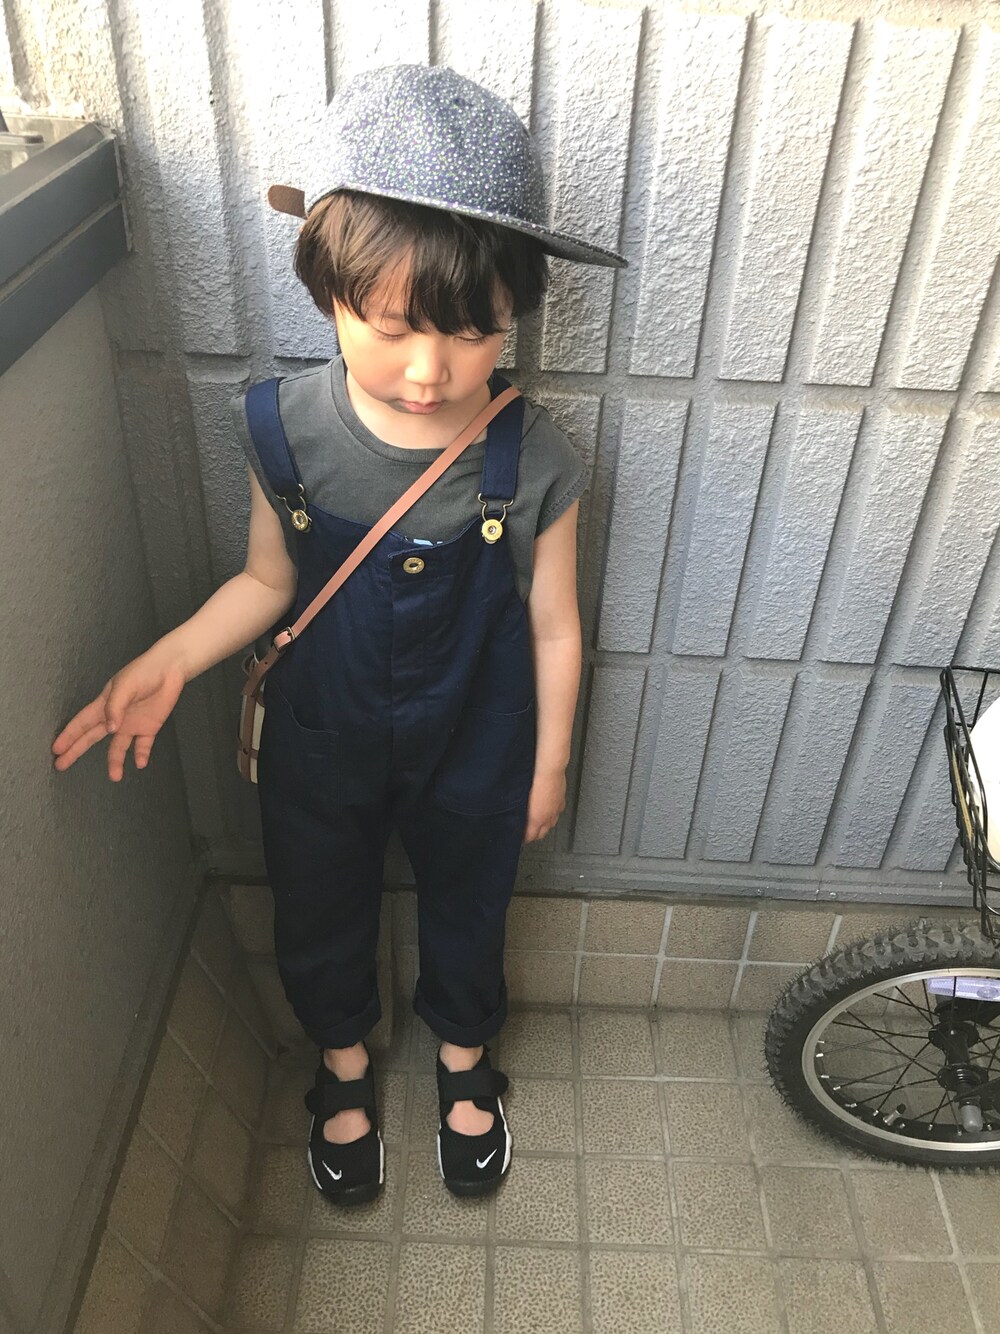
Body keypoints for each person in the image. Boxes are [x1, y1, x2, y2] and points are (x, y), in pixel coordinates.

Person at [50, 64, 627, 1205]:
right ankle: (343, 1062)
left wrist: (550, 758)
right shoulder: (284, 426)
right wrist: (172, 657)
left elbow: (556, 624)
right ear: (330, 292)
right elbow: (269, 580)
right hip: (321, 733)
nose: (429, 369)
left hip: (479, 737)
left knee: (472, 897)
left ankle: (465, 1051)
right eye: (393, 326)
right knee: (317, 898)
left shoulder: (536, 456)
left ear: (510, 313)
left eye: (472, 332)